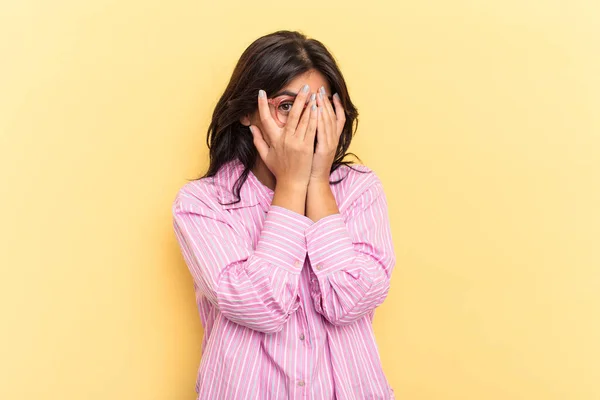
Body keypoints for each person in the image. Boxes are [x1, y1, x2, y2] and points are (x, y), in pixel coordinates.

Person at [172, 30, 396, 400]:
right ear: (248, 112)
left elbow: (350, 301)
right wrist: (292, 184)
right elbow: (259, 306)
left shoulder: (359, 189)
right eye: (288, 106)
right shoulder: (202, 203)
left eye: (318, 107)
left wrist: (317, 183)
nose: (303, 124)